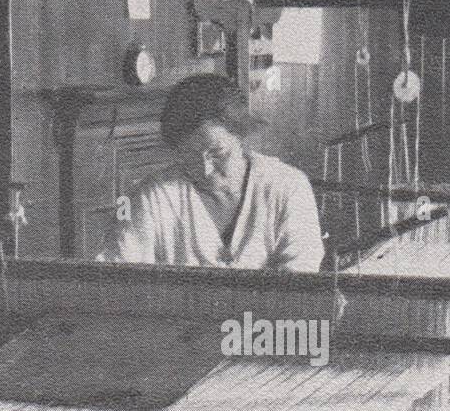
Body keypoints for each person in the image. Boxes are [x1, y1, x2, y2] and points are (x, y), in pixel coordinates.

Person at [110, 74, 325, 272]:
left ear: (240, 136)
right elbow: (117, 271)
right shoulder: (150, 196)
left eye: (218, 153)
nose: (206, 169)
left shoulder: (289, 187)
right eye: (190, 155)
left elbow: (302, 282)